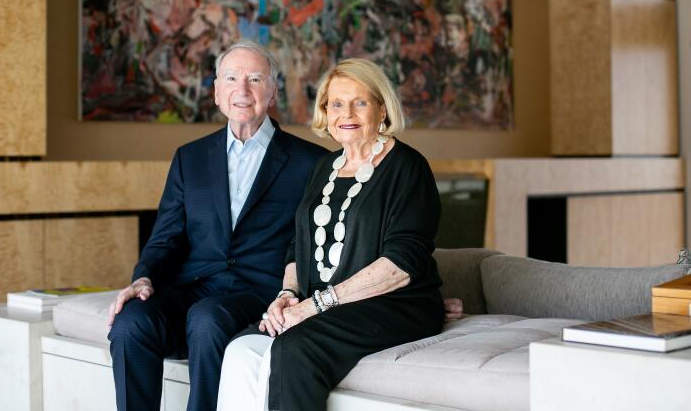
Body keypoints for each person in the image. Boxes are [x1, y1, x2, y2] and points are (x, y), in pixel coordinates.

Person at [107, 40, 327, 411]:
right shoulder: (189, 158)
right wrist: (143, 278)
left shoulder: (311, 162)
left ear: (272, 92)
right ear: (216, 92)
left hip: (260, 293)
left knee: (208, 319)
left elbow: (312, 246)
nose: (242, 90)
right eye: (231, 78)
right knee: (130, 322)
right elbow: (165, 237)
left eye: (255, 79)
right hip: (195, 289)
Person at [218, 58, 445, 410]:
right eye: (336, 103)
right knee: (241, 349)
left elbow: (403, 263)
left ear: (382, 108)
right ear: (325, 111)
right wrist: (287, 295)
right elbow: (298, 245)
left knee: (295, 346)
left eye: (360, 102)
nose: (347, 113)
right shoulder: (325, 166)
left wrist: (315, 307)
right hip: (324, 304)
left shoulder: (407, 166)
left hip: (394, 306)